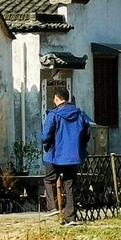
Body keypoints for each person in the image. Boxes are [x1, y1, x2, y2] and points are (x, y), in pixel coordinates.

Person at [41, 89, 91, 224]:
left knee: (49, 179)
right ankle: (71, 217)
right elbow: (87, 133)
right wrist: (80, 147)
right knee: (70, 184)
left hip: (55, 153)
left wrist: (46, 145)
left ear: (57, 99)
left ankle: (52, 207)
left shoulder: (54, 114)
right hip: (73, 155)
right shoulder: (80, 113)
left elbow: (46, 135)